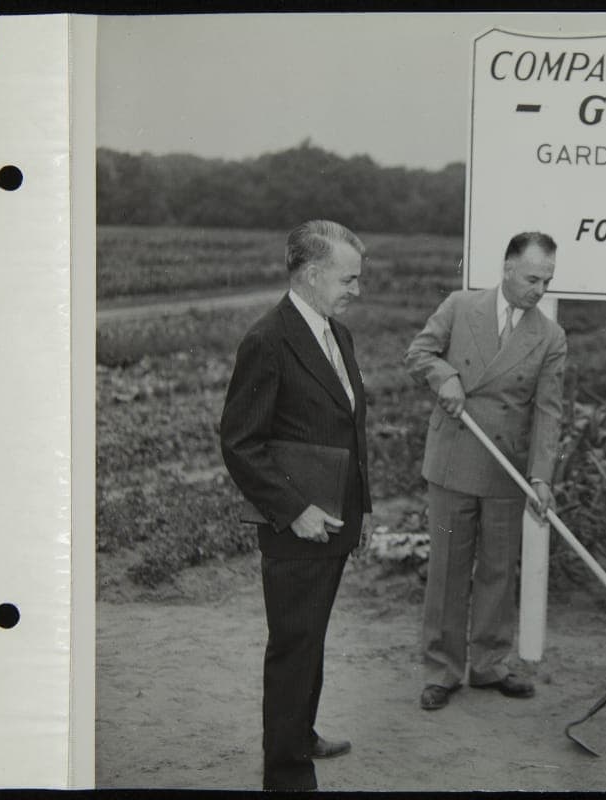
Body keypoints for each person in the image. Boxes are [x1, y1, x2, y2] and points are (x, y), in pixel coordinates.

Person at [220, 220, 371, 791]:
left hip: (335, 517)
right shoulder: (267, 340)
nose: (356, 289)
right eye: (348, 278)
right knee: (293, 644)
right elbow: (240, 443)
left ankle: (300, 734)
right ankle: (285, 773)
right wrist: (296, 509)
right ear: (311, 274)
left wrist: (365, 506)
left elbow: (350, 427)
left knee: (311, 636)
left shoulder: (337, 334)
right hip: (297, 526)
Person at [405, 231, 567, 711]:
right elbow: (418, 354)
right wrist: (447, 378)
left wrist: (541, 477)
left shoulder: (550, 336)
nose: (540, 289)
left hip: (506, 466)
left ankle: (490, 664)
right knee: (448, 569)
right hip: (454, 457)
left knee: (499, 568)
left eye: (548, 281)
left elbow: (549, 412)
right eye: (533, 278)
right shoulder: (459, 307)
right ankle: (442, 669)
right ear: (508, 268)